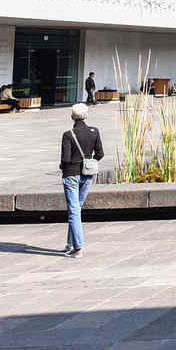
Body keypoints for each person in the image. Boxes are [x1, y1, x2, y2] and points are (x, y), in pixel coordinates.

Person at [59, 103, 105, 257]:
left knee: (73, 210)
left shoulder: (68, 134)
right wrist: (89, 161)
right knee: (76, 209)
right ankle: (70, 243)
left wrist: (63, 168)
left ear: (72, 117)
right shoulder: (94, 132)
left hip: (71, 174)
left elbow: (65, 159)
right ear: (86, 116)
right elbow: (100, 153)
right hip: (87, 173)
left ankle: (78, 248)